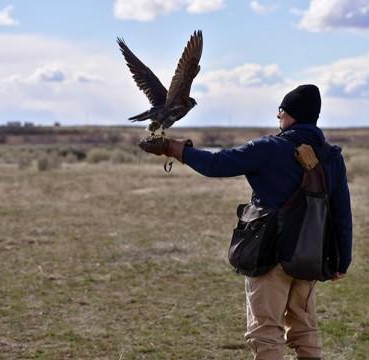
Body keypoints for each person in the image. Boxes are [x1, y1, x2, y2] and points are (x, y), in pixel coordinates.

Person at [139, 84, 353, 360]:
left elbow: (216, 164)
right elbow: (341, 211)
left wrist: (173, 148)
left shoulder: (269, 148)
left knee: (265, 332)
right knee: (305, 330)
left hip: (269, 256)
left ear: (289, 115)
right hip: (310, 257)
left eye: (280, 112)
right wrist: (341, 261)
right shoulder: (331, 156)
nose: (278, 118)